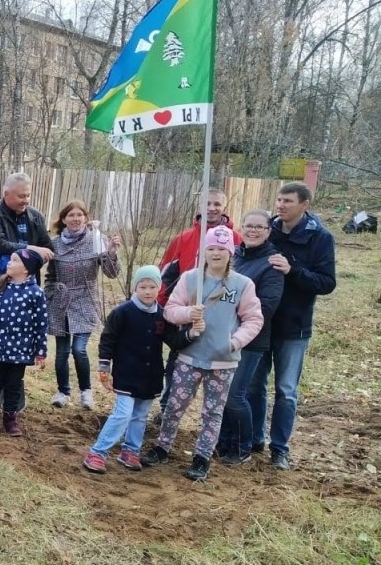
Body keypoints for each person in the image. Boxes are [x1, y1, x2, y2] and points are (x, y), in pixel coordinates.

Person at [142, 226, 264, 481]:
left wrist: (234, 342)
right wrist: (188, 314)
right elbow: (170, 310)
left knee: (213, 412)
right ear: (204, 251)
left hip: (222, 361)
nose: (216, 253)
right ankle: (162, 447)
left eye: (222, 249)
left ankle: (202, 457)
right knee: (174, 406)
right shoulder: (190, 279)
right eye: (211, 248)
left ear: (230, 253)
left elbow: (253, 319)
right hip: (189, 357)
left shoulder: (242, 284)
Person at [249, 182, 336, 470]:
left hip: (294, 327)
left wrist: (292, 270)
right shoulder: (268, 230)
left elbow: (327, 282)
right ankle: (255, 439)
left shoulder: (320, 237)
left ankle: (280, 449)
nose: (281, 205)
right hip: (262, 323)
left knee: (286, 390)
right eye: (279, 200)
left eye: (288, 201)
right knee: (254, 385)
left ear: (304, 205)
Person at [81, 266, 197, 474]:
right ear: (135, 288)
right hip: (126, 373)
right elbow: (108, 340)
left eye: (152, 287)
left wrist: (192, 333)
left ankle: (130, 450)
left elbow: (174, 341)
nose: (147, 291)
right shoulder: (122, 312)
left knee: (140, 415)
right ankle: (98, 452)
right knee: (123, 414)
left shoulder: (163, 315)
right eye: (143, 287)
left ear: (159, 288)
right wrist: (104, 367)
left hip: (150, 376)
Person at [156, 189, 242, 414]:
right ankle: (167, 409)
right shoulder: (184, 238)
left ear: (224, 207)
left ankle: (215, 415)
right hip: (188, 313)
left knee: (219, 370)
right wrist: (162, 306)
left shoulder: (236, 239)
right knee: (177, 361)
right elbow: (166, 274)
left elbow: (242, 278)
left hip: (222, 314)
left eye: (217, 204)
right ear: (199, 206)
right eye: (207, 203)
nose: (211, 208)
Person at [217, 209, 284, 465]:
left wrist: (232, 319)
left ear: (268, 231)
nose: (253, 231)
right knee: (223, 393)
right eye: (248, 226)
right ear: (241, 228)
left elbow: (266, 305)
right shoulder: (233, 255)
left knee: (235, 394)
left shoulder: (272, 263)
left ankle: (243, 446)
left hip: (252, 340)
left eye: (259, 227)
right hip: (222, 337)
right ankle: (223, 441)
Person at [44, 201, 121, 410]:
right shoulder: (55, 244)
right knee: (61, 351)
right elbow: (50, 275)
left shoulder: (96, 240)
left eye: (79, 215)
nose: (75, 219)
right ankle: (63, 392)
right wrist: (50, 294)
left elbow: (111, 273)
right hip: (60, 301)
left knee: (78, 349)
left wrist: (111, 252)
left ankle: (86, 392)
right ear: (63, 219)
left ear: (86, 218)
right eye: (71, 215)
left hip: (85, 300)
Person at [0, 249, 48, 437]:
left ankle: (10, 418)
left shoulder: (36, 293)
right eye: (10, 259)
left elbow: (41, 324)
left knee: (13, 385)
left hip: (20, 352)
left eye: (15, 261)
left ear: (26, 270)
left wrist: (40, 350)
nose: (9, 263)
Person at [0, 172, 55, 294]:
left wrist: (27, 266)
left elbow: (47, 248)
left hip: (29, 287)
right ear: (6, 194)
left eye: (28, 196)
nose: (26, 201)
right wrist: (30, 249)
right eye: (21, 196)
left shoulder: (36, 216)